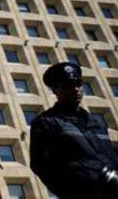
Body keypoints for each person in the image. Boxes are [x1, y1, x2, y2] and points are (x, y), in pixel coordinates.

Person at [30, 62, 118, 199]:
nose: (76, 89)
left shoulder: (97, 122)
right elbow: (39, 166)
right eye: (68, 85)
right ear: (55, 90)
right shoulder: (45, 122)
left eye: (78, 83)